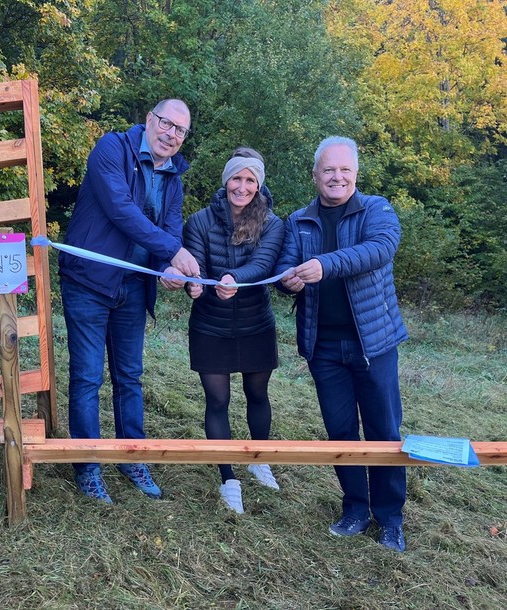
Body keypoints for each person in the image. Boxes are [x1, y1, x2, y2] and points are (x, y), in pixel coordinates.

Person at [58, 99, 200, 503]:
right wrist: (172, 252)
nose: (172, 135)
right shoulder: (111, 149)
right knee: (87, 379)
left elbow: (170, 229)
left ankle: (130, 456)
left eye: (181, 131)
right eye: (167, 124)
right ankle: (87, 466)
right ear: (149, 120)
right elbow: (121, 211)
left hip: (134, 287)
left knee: (129, 378)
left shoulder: (173, 177)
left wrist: (167, 267)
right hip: (89, 282)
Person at [275, 136, 409, 552]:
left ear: (356, 174)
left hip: (374, 344)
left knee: (384, 433)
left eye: (344, 170)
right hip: (324, 348)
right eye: (328, 170)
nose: (337, 177)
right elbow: (285, 266)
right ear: (315, 175)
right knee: (341, 433)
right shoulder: (298, 220)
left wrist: (323, 265)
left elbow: (379, 250)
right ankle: (355, 509)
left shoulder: (377, 209)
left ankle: (390, 519)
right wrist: (287, 280)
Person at [183, 148, 284, 513]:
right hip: (210, 324)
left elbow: (263, 263)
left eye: (250, 180)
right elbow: (193, 265)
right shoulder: (198, 221)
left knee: (258, 395)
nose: (242, 187)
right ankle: (228, 478)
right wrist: (192, 284)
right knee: (218, 402)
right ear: (226, 180)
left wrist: (235, 278)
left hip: (256, 322)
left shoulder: (272, 223)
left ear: (258, 186)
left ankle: (259, 458)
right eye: (236, 178)